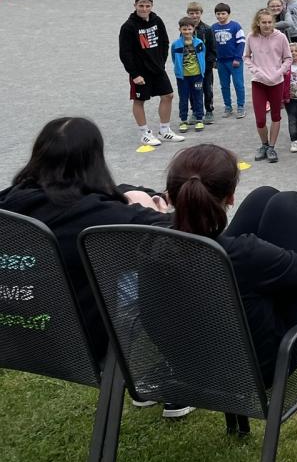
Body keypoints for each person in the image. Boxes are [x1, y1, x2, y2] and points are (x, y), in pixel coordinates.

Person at [165, 144, 297, 383]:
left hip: (186, 364)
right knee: (290, 203)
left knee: (263, 196)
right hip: (260, 368)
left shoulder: (148, 240)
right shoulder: (242, 254)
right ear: (230, 197)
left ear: (169, 197)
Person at [0, 118, 172, 361]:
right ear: (94, 161)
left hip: (18, 326)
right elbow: (176, 231)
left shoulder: (9, 203)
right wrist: (154, 205)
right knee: (158, 269)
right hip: (78, 339)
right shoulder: (99, 216)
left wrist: (131, 192)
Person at [119, 0, 184, 147]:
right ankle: (145, 134)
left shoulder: (157, 20)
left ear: (152, 6)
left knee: (168, 96)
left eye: (147, 6)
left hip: (157, 68)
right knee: (139, 100)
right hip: (140, 71)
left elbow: (164, 42)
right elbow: (125, 53)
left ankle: (164, 130)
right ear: (135, 6)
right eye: (141, 5)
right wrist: (134, 74)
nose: (144, 9)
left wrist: (161, 62)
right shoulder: (128, 27)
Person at [245, 7, 291, 164]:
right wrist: (256, 71)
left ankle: (271, 147)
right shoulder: (251, 36)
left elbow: (288, 58)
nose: (266, 25)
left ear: (273, 22)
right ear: (258, 22)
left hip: (276, 82)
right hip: (259, 82)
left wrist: (278, 73)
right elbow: (246, 57)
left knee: (276, 115)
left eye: (269, 22)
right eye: (263, 22)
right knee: (260, 119)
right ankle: (264, 144)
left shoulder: (281, 37)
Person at [170, 16, 207, 131]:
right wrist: (179, 70)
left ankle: (199, 119)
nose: (187, 32)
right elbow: (174, 58)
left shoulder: (199, 43)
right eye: (184, 29)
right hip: (183, 77)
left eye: (189, 29)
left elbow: (203, 55)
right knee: (183, 98)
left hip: (197, 76)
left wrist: (202, 70)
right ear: (180, 29)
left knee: (198, 96)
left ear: (194, 29)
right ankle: (183, 120)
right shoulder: (176, 44)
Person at [211, 2, 247, 120]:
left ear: (228, 14)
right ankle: (228, 106)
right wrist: (214, 60)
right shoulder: (213, 28)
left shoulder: (235, 26)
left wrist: (237, 58)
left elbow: (241, 43)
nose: (220, 16)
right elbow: (212, 45)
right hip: (221, 62)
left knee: (238, 84)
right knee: (224, 85)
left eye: (223, 13)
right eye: (218, 14)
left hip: (234, 61)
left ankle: (240, 106)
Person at [185, 2, 217, 120]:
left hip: (205, 66)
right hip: (191, 66)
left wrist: (209, 63)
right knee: (193, 90)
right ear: (188, 14)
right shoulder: (185, 29)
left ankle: (209, 110)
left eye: (197, 13)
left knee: (207, 89)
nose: (194, 16)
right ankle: (195, 111)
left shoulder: (207, 29)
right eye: (191, 13)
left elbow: (213, 48)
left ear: (201, 13)